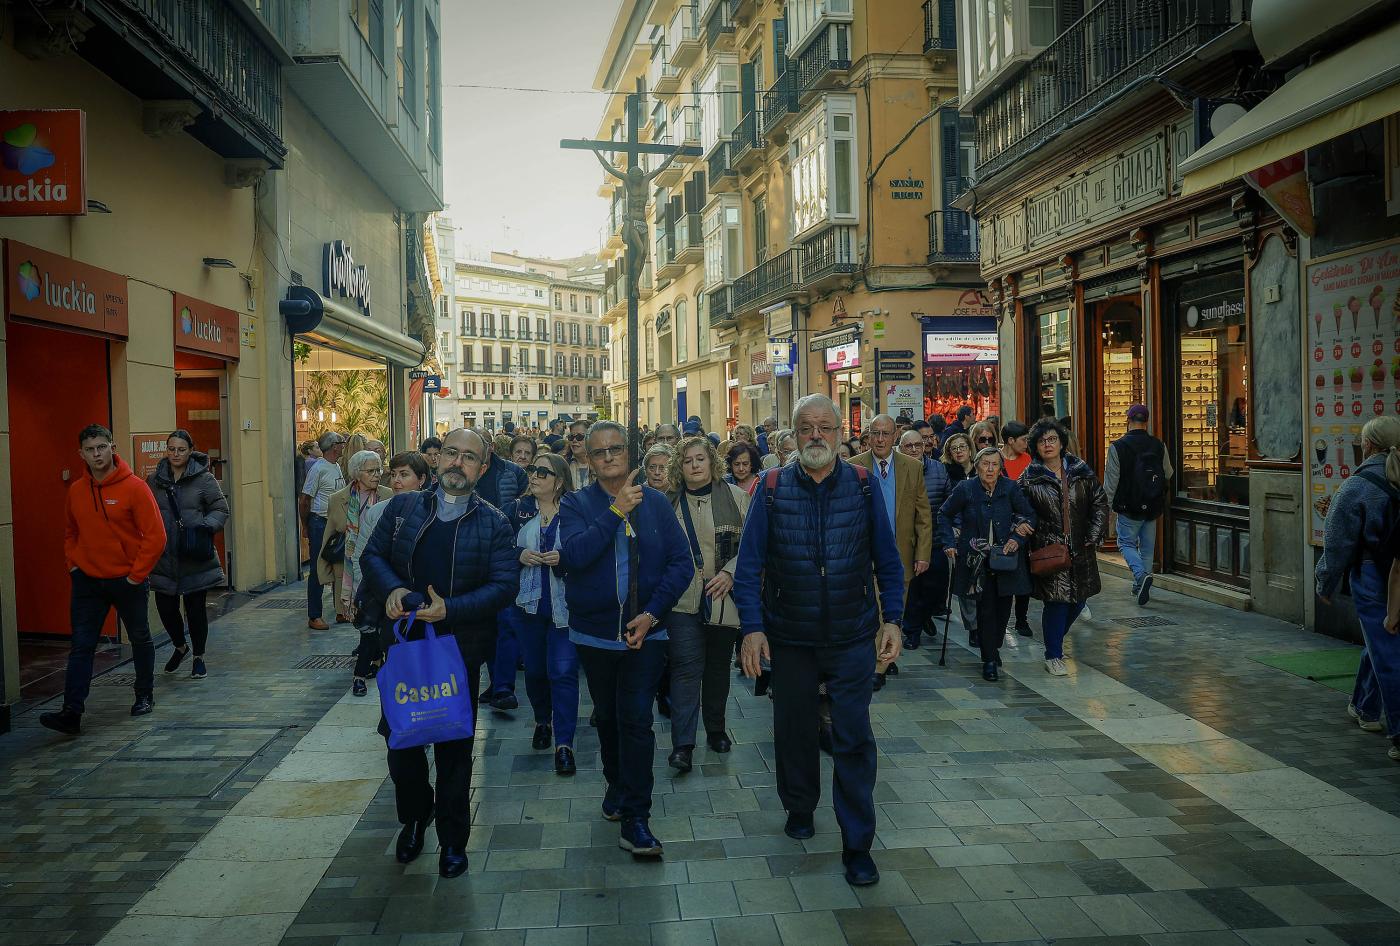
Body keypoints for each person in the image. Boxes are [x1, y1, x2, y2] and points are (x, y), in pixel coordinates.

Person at [734, 394, 903, 887]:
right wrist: (752, 629)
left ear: (837, 432)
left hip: (852, 637)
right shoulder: (769, 489)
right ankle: (800, 806)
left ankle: (857, 845)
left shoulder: (864, 486)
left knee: (853, 739)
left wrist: (891, 619)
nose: (815, 436)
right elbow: (748, 570)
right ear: (792, 435)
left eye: (824, 427)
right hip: (789, 638)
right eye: (805, 427)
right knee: (794, 730)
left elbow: (888, 562)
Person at [360, 428, 519, 879]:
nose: (457, 463)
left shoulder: (494, 522)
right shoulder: (403, 508)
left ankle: (453, 842)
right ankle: (415, 817)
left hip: (458, 653)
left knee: (454, 751)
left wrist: (451, 608)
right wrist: (392, 588)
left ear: (482, 468)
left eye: (469, 458)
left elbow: (504, 586)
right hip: (404, 649)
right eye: (451, 453)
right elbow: (372, 557)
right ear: (438, 459)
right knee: (401, 746)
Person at [558, 421, 693, 856]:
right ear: (589, 461)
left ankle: (637, 816)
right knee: (609, 717)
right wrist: (615, 511)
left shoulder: (655, 504)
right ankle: (616, 783)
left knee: (636, 720)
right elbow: (574, 557)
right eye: (599, 452)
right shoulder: (577, 504)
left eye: (616, 448)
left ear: (629, 452)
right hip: (594, 635)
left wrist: (652, 615)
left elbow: (681, 564)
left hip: (646, 636)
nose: (609, 456)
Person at [39, 425, 168, 735]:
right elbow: (71, 532)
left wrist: (136, 576)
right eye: (90, 449)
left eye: (101, 447)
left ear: (113, 447)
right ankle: (71, 712)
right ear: (81, 454)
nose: (96, 454)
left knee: (139, 638)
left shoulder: (135, 488)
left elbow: (156, 536)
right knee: (81, 646)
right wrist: (73, 565)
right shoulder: (77, 491)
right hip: (88, 581)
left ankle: (143, 695)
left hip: (128, 580)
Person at [665, 436, 750, 773]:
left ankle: (715, 728)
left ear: (712, 463)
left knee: (717, 668)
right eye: (688, 461)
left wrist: (731, 573)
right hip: (681, 601)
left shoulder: (737, 498)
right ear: (679, 467)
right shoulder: (667, 502)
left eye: (700, 459)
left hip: (722, 597)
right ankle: (682, 745)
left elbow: (754, 545)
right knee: (685, 669)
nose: (695, 466)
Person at [1321, 416, 1400, 758]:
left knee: (1387, 651)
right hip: (1396, 570)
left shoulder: (1358, 485)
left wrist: (1325, 581)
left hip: (1371, 574)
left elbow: (1337, 541)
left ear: (1368, 445)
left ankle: (1398, 732)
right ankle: (1365, 707)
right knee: (1380, 640)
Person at [503, 451, 580, 776]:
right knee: (535, 672)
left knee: (563, 673)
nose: (533, 475)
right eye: (533, 470)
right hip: (528, 608)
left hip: (566, 609)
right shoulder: (517, 511)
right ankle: (542, 720)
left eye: (542, 473)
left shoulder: (575, 512)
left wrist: (565, 558)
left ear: (559, 481)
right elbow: (500, 546)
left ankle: (564, 744)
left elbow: (587, 550)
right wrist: (520, 554)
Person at [1021, 419, 1109, 677]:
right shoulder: (1030, 477)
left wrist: (1093, 535)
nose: (1047, 445)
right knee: (1057, 603)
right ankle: (1053, 654)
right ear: (1035, 447)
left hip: (1081, 548)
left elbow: (1100, 503)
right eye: (1042, 441)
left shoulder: (1081, 471)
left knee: (1079, 601)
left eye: (1052, 440)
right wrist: (1025, 527)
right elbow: (1019, 508)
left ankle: (1055, 640)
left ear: (1061, 442)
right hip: (1050, 549)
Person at [938, 447, 1035, 682]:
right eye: (985, 464)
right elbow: (944, 514)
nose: (990, 469)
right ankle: (989, 659)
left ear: (1001, 468)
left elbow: (1029, 516)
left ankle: (993, 646)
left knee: (1003, 609)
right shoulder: (966, 488)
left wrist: (1017, 537)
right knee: (986, 608)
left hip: (1005, 559)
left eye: (994, 465)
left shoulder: (1010, 488)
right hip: (976, 560)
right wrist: (949, 542)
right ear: (977, 465)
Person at [852, 415, 932, 689]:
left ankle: (884, 657)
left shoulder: (911, 467)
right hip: (864, 553)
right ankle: (878, 666)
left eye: (886, 434)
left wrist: (923, 553)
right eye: (875, 433)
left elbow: (923, 514)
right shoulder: (854, 466)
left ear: (895, 436)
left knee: (893, 611)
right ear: (868, 436)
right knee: (871, 609)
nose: (881, 439)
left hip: (900, 554)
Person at [149, 430, 229, 681]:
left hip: (194, 554)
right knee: (166, 607)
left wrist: (206, 526)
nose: (175, 454)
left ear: (190, 450)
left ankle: (198, 657)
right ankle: (180, 646)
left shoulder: (204, 479)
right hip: (164, 554)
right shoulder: (155, 480)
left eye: (181, 449)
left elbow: (220, 508)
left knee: (195, 610)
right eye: (171, 449)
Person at [352, 451, 429, 690]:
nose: (396, 480)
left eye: (404, 475)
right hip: (382, 598)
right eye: (393, 474)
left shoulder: (433, 510)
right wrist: (361, 594)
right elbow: (361, 557)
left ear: (422, 479)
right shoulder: (377, 512)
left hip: (422, 602)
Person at [321, 450, 393, 696]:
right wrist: (324, 572)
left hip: (378, 567)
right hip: (350, 566)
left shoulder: (387, 495)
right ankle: (372, 662)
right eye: (371, 471)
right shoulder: (338, 499)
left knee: (372, 623)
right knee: (362, 619)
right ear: (356, 473)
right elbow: (330, 535)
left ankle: (366, 668)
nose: (377, 475)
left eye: (379, 470)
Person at [475, 432, 531, 710]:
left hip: (506, 551)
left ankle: (502, 687)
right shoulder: (465, 469)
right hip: (474, 553)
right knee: (485, 624)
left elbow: (521, 503)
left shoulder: (512, 472)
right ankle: (495, 683)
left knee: (505, 621)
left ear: (491, 447)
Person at [1104, 405, 1173, 606]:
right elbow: (1168, 473)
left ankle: (1141, 577)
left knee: (1125, 543)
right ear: (1147, 422)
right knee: (1147, 548)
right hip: (1152, 504)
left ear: (1128, 420)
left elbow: (1111, 482)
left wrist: (1106, 508)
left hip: (1128, 505)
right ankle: (1140, 583)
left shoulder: (1118, 447)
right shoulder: (1159, 445)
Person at [898, 429, 951, 650]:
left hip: (935, 538)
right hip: (906, 540)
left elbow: (949, 503)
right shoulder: (896, 469)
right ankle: (912, 631)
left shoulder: (938, 469)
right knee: (913, 588)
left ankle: (925, 615)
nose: (913, 450)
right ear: (901, 448)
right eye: (908, 446)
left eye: (917, 445)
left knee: (936, 588)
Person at [300, 431, 347, 629]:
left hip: (335, 523)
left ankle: (340, 611)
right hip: (320, 522)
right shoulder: (318, 468)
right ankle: (314, 615)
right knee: (319, 569)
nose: (343, 445)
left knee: (339, 568)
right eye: (341, 443)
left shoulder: (335, 466)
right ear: (334, 446)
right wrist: (306, 524)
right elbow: (305, 499)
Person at [999, 421, 1034, 635]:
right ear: (1011, 441)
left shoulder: (1028, 460)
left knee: (1024, 573)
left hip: (1023, 523)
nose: (1026, 443)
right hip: (1002, 523)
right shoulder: (995, 460)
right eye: (1023, 439)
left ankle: (1022, 619)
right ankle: (1001, 618)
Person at [566, 418, 593, 490]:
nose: (574, 440)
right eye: (571, 437)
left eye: (579, 437)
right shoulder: (564, 464)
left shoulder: (600, 463)